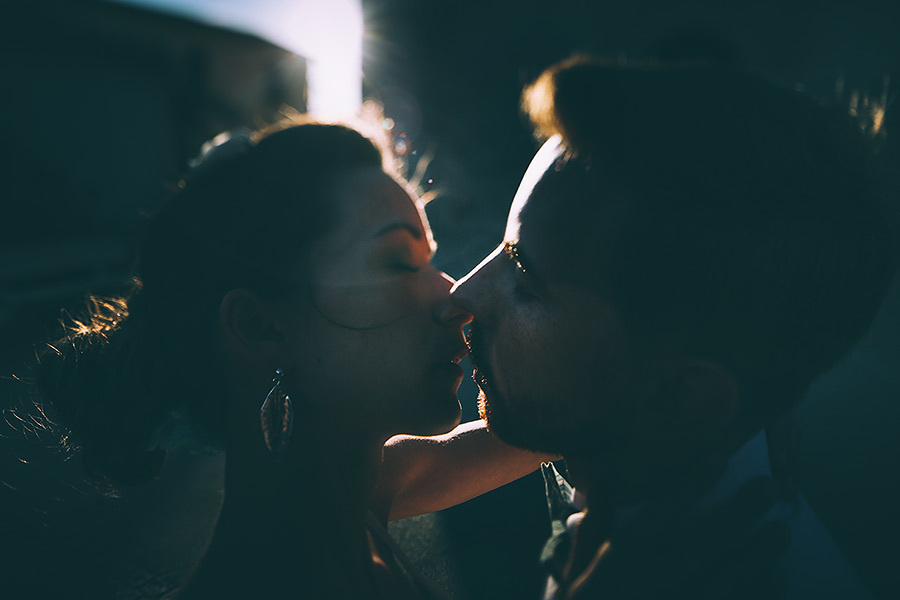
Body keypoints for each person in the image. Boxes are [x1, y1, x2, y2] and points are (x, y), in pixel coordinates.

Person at [37, 119, 550, 599]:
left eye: (430, 259)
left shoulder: (369, 491)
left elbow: (561, 413)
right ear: (262, 327)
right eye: (398, 262)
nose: (455, 295)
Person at [451, 57, 896, 599]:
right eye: (504, 249)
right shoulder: (631, 477)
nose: (463, 293)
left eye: (526, 283)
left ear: (682, 394)